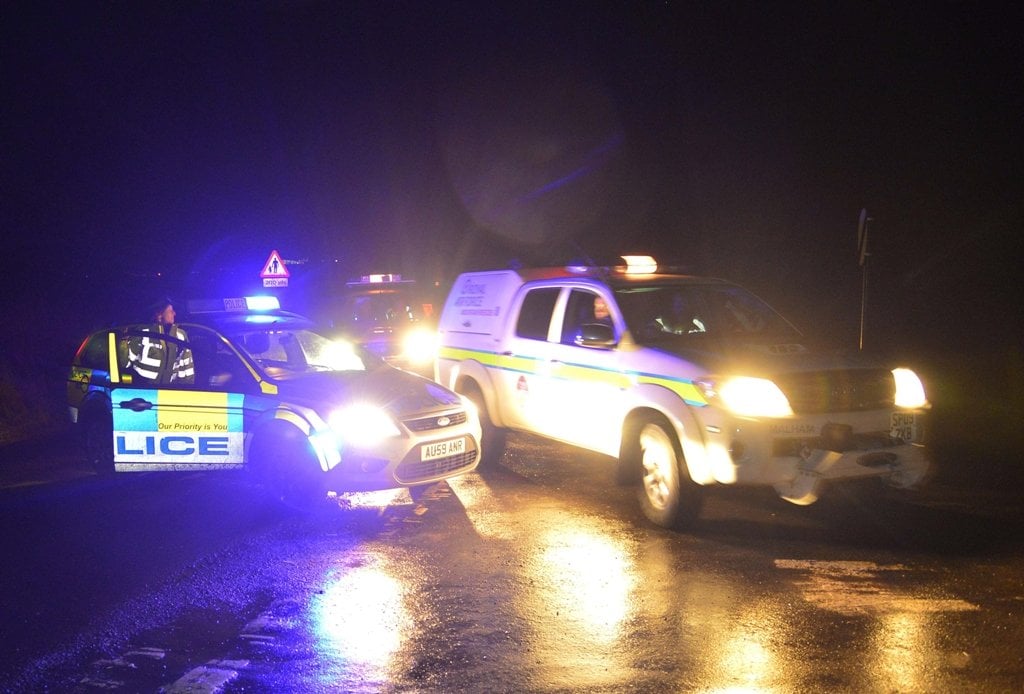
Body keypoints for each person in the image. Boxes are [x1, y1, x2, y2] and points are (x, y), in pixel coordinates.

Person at [125, 298, 195, 384]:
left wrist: (186, 391)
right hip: (143, 392)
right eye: (171, 310)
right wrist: (123, 342)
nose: (174, 313)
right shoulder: (143, 332)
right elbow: (126, 362)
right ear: (160, 315)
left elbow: (186, 369)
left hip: (168, 392)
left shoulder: (180, 336)